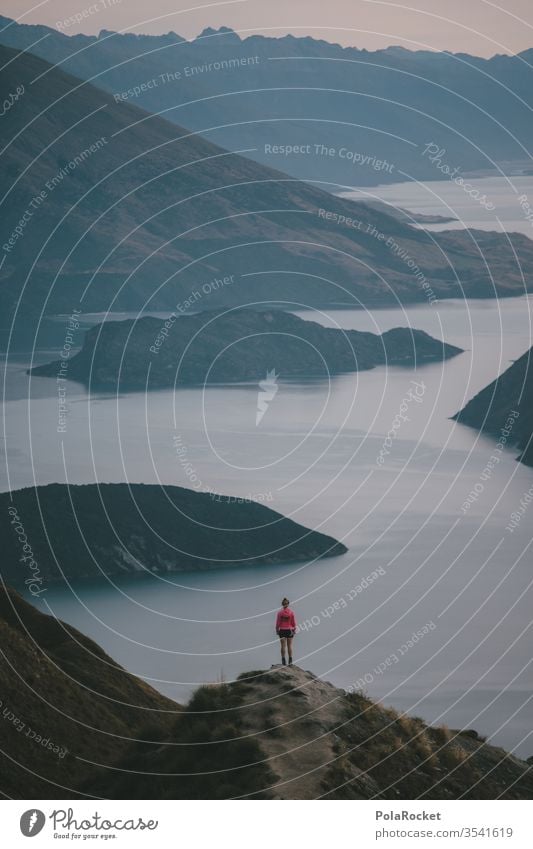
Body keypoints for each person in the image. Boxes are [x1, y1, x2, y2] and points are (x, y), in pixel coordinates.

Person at [275, 597, 296, 666]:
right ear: (288, 604)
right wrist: (294, 630)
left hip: (282, 630)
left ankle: (283, 660)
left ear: (282, 604)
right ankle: (290, 661)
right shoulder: (291, 612)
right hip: (289, 630)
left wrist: (277, 630)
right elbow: (293, 623)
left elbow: (278, 623)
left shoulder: (280, 613)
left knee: (283, 646)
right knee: (289, 646)